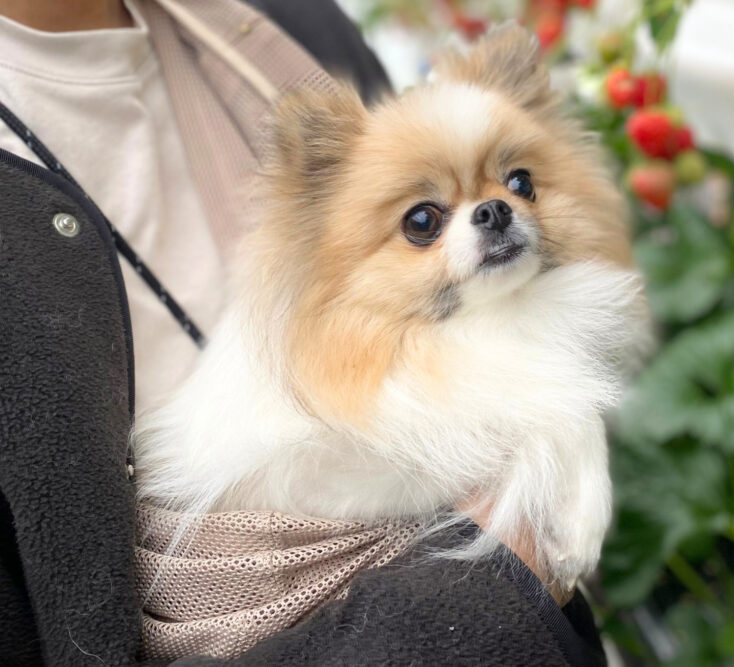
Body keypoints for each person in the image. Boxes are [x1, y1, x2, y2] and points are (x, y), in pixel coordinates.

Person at [0, 0, 605, 664]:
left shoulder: (285, 21)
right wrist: (502, 578)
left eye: (516, 183)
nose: (495, 208)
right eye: (424, 222)